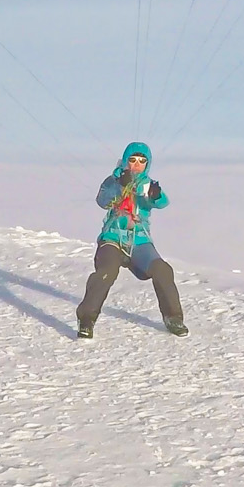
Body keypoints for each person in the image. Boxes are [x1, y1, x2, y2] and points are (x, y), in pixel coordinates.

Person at [74, 142, 185, 339]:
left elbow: (162, 202)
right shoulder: (113, 180)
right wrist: (119, 185)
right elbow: (102, 201)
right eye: (132, 160)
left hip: (139, 241)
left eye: (142, 161)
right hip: (113, 238)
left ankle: (173, 317)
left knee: (162, 270)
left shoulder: (147, 183)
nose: (136, 165)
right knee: (106, 273)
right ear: (125, 161)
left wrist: (155, 196)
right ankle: (86, 319)